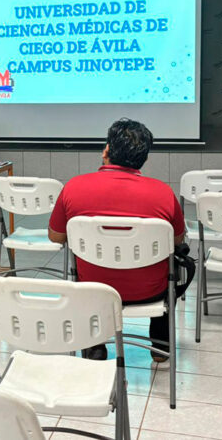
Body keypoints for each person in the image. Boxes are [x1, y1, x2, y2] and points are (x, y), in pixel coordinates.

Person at [48, 118, 185, 361]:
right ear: (144, 158)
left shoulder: (74, 187)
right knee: (176, 267)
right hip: (150, 291)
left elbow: (55, 236)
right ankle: (160, 348)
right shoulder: (163, 192)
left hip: (94, 289)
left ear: (106, 151)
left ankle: (94, 346)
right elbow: (176, 241)